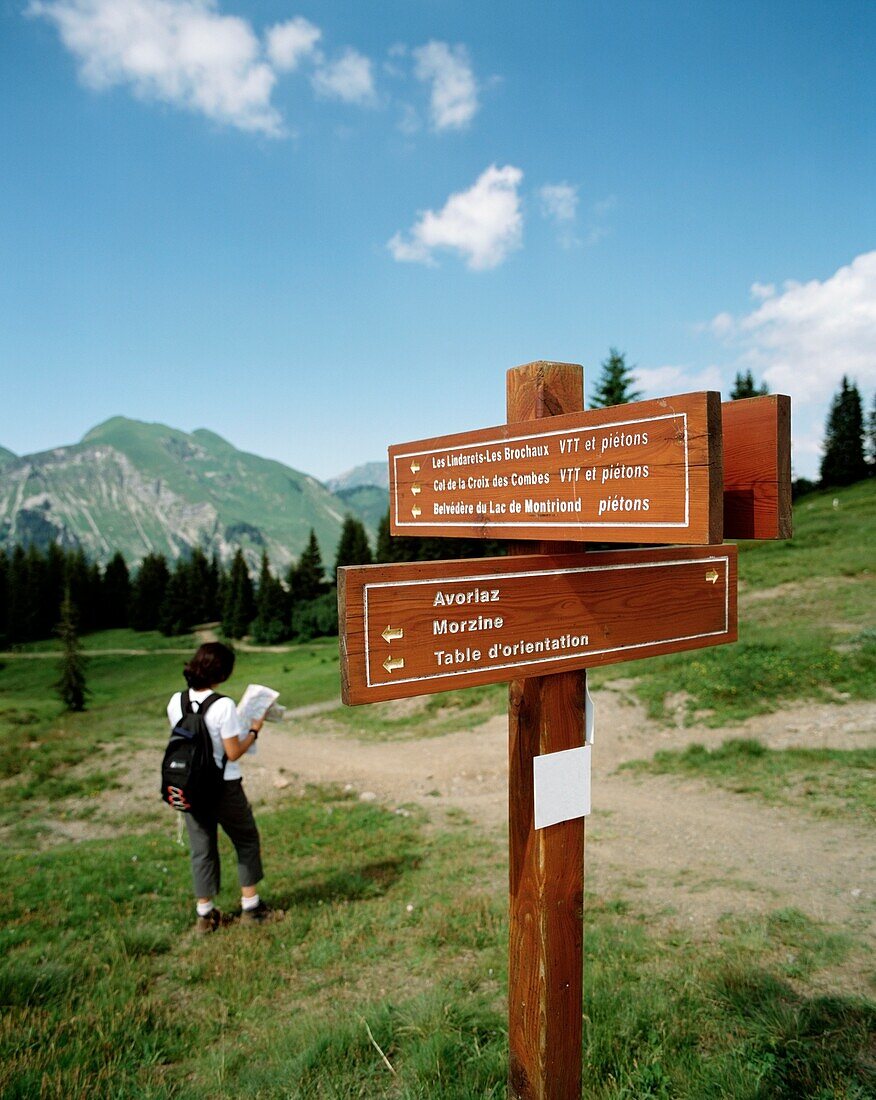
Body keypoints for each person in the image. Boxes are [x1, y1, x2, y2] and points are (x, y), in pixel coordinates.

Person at [167, 641, 272, 933]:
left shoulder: (175, 702)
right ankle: (251, 907)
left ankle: (205, 915)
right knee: (246, 840)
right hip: (223, 787)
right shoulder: (223, 705)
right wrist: (253, 731)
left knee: (201, 849)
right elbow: (233, 752)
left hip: (190, 787)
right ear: (222, 672)